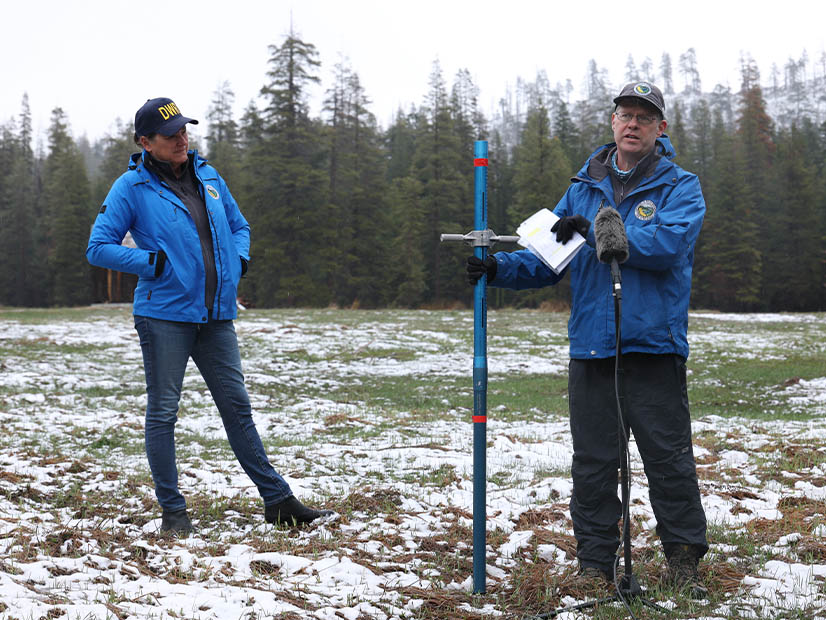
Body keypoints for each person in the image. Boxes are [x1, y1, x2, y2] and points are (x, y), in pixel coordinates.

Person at [467, 82, 708, 596]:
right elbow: (549, 256)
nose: (634, 124)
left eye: (645, 117)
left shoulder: (680, 186)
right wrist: (498, 268)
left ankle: (684, 562)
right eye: (626, 114)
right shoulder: (583, 186)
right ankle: (595, 565)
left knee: (668, 461)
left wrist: (601, 232)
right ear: (613, 122)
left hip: (653, 347)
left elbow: (668, 244)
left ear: (661, 128)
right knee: (594, 464)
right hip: (593, 348)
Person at [87, 97, 332, 534]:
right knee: (163, 413)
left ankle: (278, 501)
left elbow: (240, 226)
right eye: (170, 135)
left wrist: (239, 260)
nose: (182, 139)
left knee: (238, 409)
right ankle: (174, 513)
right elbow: (98, 247)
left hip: (216, 317)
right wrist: (153, 263)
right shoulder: (131, 188)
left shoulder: (209, 176)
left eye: (184, 130)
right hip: (164, 317)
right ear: (145, 142)